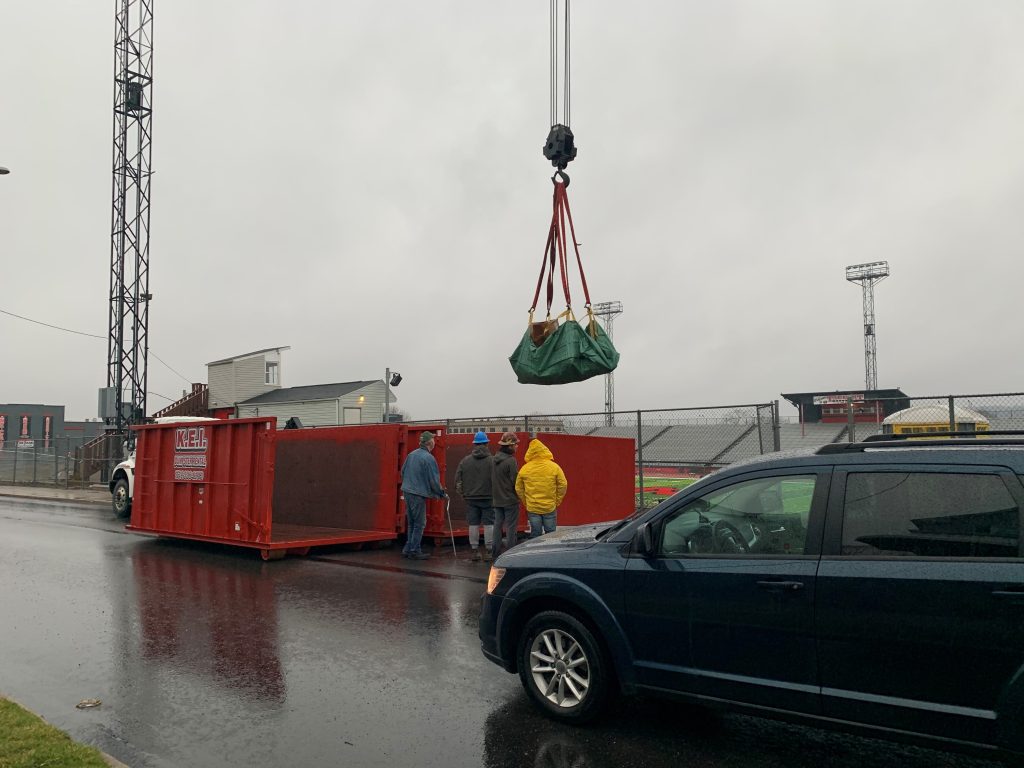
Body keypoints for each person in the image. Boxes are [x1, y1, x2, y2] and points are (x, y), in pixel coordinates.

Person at [400, 430, 446, 560]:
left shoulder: (411, 455)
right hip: (418, 494)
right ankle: (414, 550)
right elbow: (434, 481)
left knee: (412, 522)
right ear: (429, 443)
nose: (434, 442)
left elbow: (403, 472)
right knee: (419, 523)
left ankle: (408, 548)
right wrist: (441, 493)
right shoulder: (429, 458)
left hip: (407, 491)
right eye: (433, 440)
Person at [515, 438, 567, 538]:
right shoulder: (554, 467)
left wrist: (526, 502)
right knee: (551, 534)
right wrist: (557, 500)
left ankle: (536, 551)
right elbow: (563, 484)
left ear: (530, 452)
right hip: (549, 506)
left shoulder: (525, 468)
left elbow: (518, 488)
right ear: (545, 450)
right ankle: (551, 552)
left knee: (536, 534)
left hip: (533, 507)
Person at [456, 430, 494, 562]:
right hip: (489, 497)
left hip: (471, 498)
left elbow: (458, 481)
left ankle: (474, 551)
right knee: (489, 523)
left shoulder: (465, 461)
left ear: (475, 444)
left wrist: (464, 495)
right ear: (486, 444)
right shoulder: (492, 461)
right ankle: (489, 551)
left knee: (473, 524)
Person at [490, 431, 521, 558]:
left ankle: (495, 553)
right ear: (509, 446)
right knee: (511, 528)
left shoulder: (493, 459)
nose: (517, 446)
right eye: (515, 444)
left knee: (497, 526)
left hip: (497, 499)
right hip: (510, 500)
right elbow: (515, 481)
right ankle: (510, 555)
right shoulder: (511, 461)